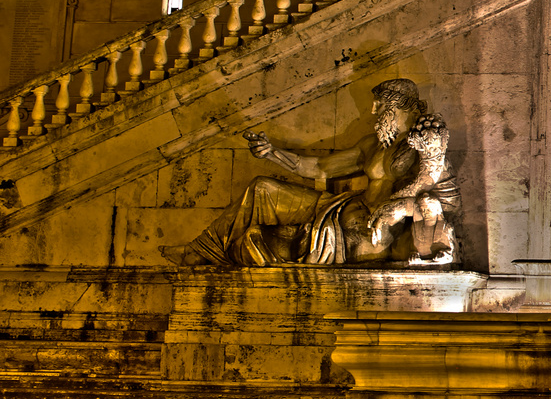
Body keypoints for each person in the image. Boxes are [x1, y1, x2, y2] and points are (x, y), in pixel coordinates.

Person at [160, 79, 459, 267]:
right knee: (262, 187)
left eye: (378, 106)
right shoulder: (372, 145)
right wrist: (272, 152)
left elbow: (437, 197)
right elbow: (318, 167)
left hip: (368, 232)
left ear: (394, 109)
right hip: (339, 206)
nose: (372, 111)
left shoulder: (424, 148)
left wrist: (398, 208)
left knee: (264, 241)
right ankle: (201, 250)